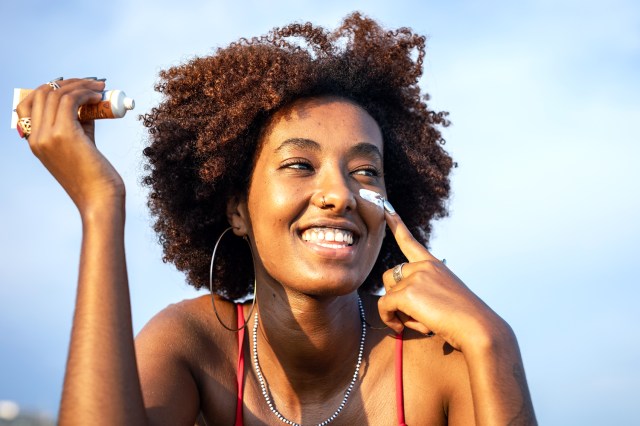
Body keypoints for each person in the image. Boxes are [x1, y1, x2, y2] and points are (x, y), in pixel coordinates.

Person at [15, 12, 536, 426]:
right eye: (300, 165)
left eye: (365, 171)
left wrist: (493, 339)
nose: (339, 194)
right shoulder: (194, 344)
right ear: (237, 209)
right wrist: (101, 207)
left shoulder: (441, 353)